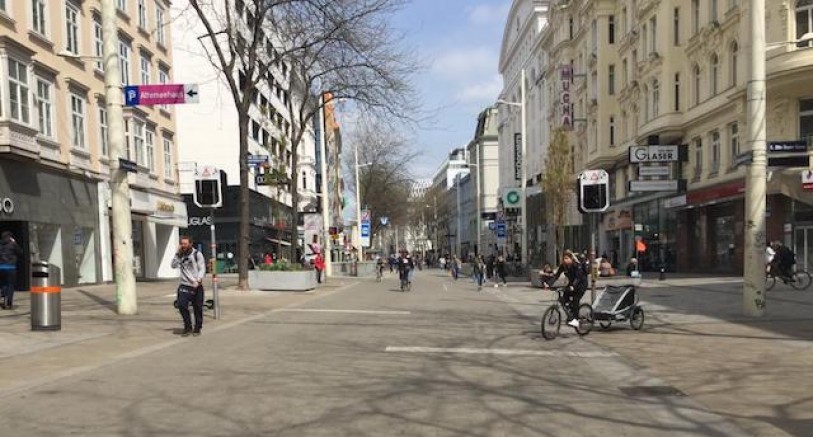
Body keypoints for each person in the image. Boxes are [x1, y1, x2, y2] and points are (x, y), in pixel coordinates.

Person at [171, 236, 207, 337]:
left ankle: (197, 328)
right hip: (184, 284)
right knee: (181, 305)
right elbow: (173, 265)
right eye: (182, 244)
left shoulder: (197, 254)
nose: (183, 246)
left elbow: (202, 268)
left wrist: (199, 279)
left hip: (196, 285)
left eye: (185, 244)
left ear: (190, 244)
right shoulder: (179, 255)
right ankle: (187, 327)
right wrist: (177, 255)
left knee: (197, 308)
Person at [542, 250, 588, 328]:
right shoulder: (563, 266)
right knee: (564, 298)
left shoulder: (577, 265)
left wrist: (573, 286)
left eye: (567, 258)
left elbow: (578, 277)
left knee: (576, 300)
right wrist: (549, 284)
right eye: (564, 258)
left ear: (571, 258)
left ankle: (576, 320)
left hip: (581, 284)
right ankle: (571, 313)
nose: (565, 260)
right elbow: (556, 276)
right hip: (571, 284)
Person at [0, 232, 23, 310]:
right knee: (10, 285)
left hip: (1, 267)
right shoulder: (12, 244)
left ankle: (3, 295)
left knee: (3, 284)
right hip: (10, 267)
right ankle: (9, 303)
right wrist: (14, 242)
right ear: (10, 237)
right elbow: (20, 252)